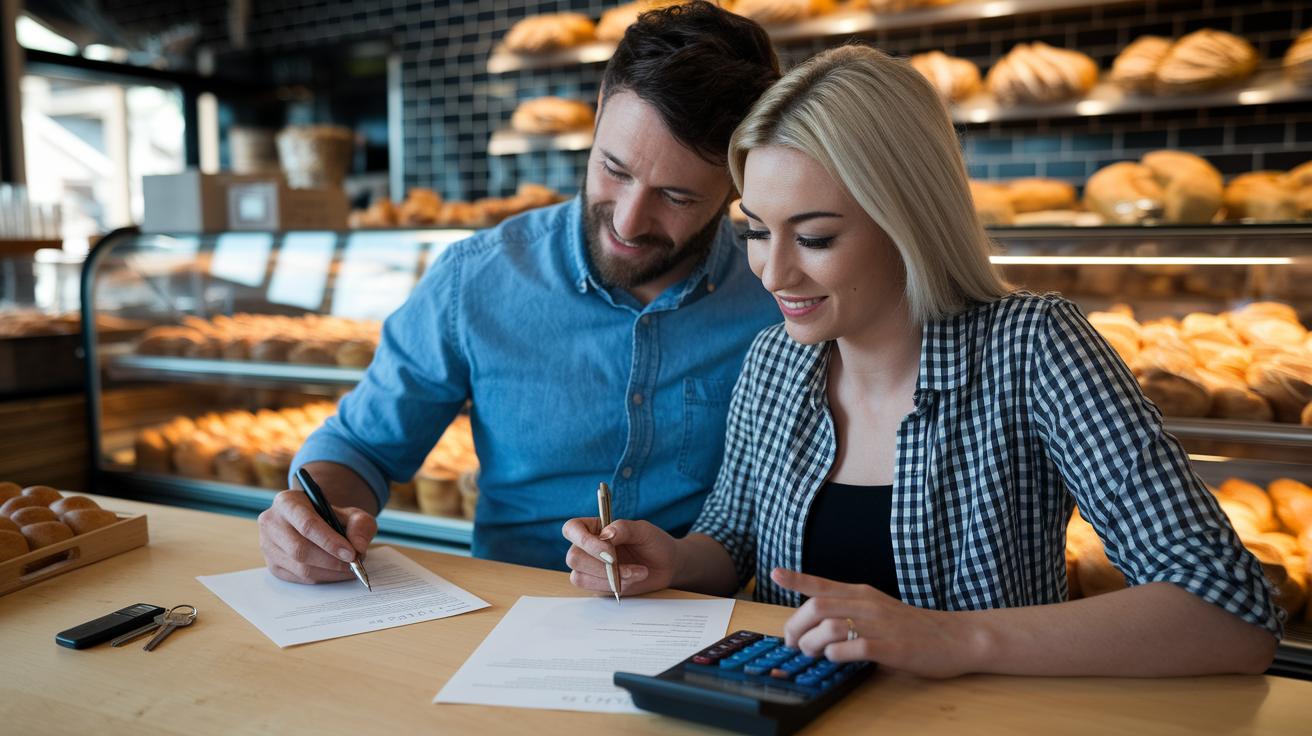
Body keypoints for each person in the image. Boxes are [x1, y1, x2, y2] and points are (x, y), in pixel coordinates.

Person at [562, 45, 1280, 678]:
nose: (773, 273)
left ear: (908, 220)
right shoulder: (775, 360)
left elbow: (1231, 610)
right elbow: (734, 537)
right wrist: (674, 560)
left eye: (814, 238)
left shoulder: (1033, 347)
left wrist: (954, 638)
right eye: (756, 231)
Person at [258, 2, 782, 581]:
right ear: (599, 109)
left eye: (676, 197)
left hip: (699, 613)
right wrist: (312, 518)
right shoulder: (475, 279)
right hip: (508, 610)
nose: (628, 222)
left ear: (739, 181)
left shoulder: (780, 298)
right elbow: (362, 446)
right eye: (614, 169)